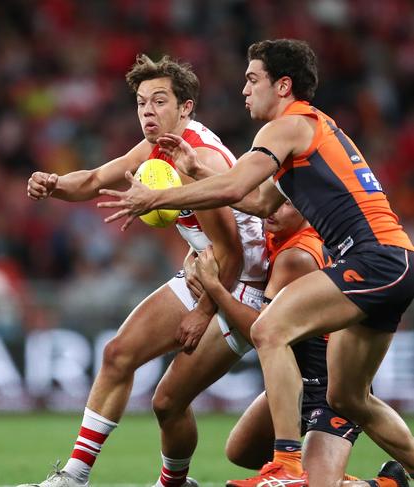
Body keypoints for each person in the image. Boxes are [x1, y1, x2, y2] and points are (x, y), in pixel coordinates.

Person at [98, 38, 414, 485]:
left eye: (252, 79)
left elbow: (232, 192)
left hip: (372, 258)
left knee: (269, 328)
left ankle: (285, 467)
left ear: (282, 86)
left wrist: (159, 196)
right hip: (392, 261)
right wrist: (201, 169)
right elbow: (262, 202)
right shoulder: (307, 131)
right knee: (350, 397)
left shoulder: (286, 126)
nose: (244, 90)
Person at [19, 54, 267, 487]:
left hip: (243, 285)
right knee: (118, 354)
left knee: (168, 401)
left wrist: (203, 311)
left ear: (186, 107)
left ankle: (174, 483)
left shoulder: (198, 159)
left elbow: (233, 252)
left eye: (158, 101)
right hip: (209, 269)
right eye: (140, 103)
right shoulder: (159, 146)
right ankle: (74, 477)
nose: (148, 112)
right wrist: (54, 184)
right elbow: (97, 178)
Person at [193, 201, 408, 487]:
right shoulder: (274, 236)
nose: (271, 209)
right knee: (242, 451)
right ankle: (331, 478)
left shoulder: (298, 256)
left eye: (284, 204)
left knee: (311, 485)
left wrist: (216, 289)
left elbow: (259, 332)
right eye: (269, 199)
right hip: (295, 375)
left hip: (326, 385)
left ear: (307, 208)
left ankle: (385, 484)